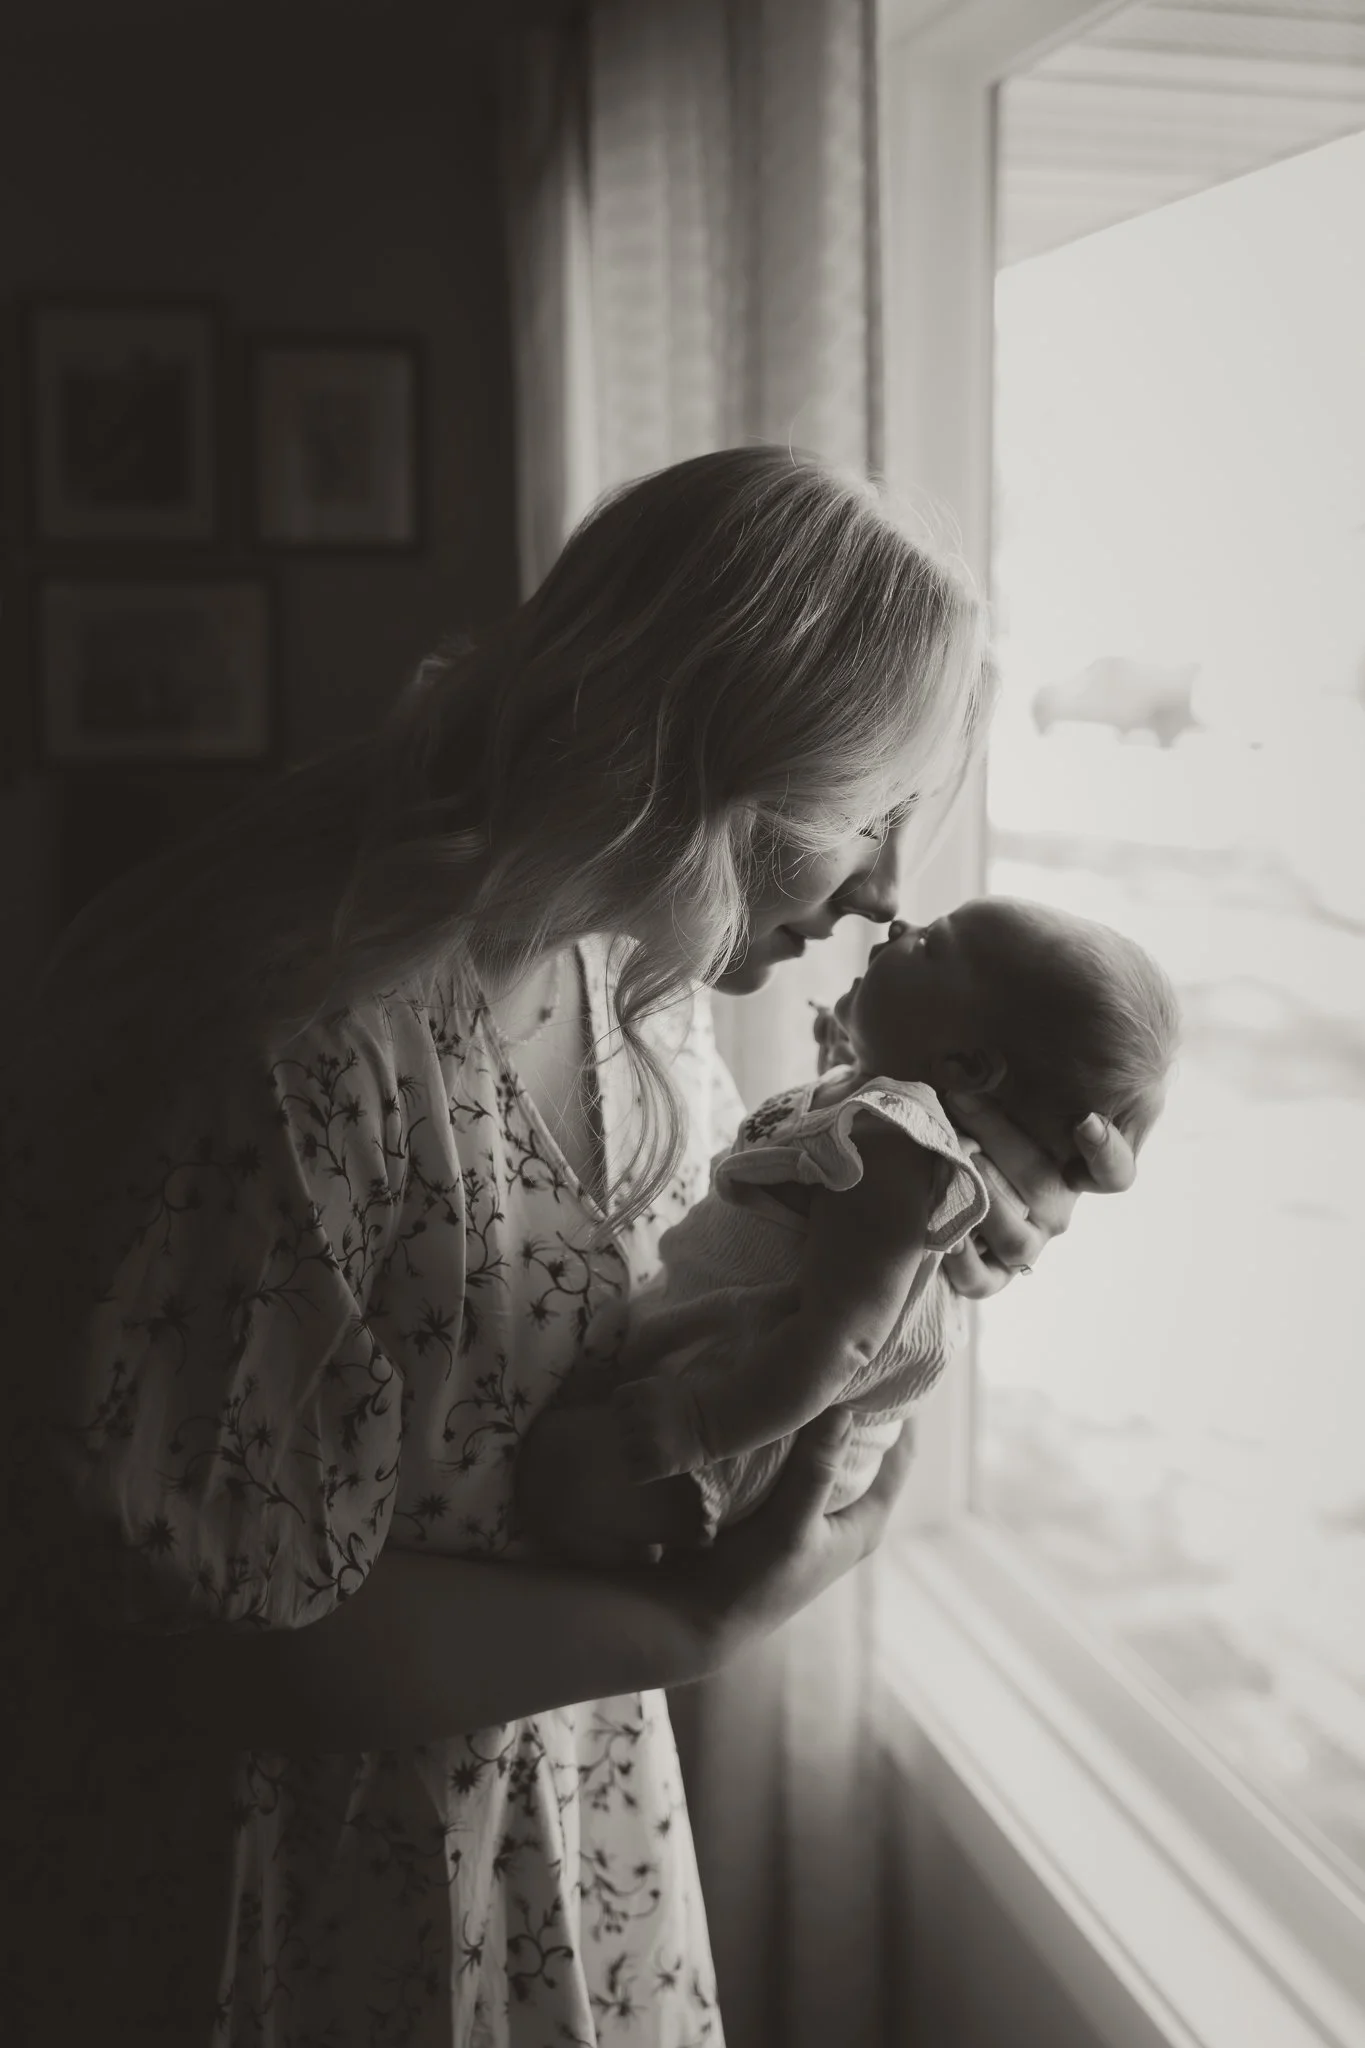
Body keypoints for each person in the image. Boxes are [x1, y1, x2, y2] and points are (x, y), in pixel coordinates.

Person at [0, 446, 1137, 2048]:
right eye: (865, 812)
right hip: (292, 1896)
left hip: (553, 1835)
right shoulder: (304, 1041)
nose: (889, 889)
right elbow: (194, 1646)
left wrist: (967, 1188)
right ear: (706, 754)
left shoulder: (636, 975)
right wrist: (700, 1626)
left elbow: (671, 1300)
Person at [517, 896, 1178, 1561]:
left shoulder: (892, 1147)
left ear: (964, 1068)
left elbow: (848, 1339)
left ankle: (618, 1587)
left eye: (929, 946)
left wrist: (706, 1423)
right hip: (741, 1381)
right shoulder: (872, 1110)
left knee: (560, 1476)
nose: (898, 924)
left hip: (756, 1423)